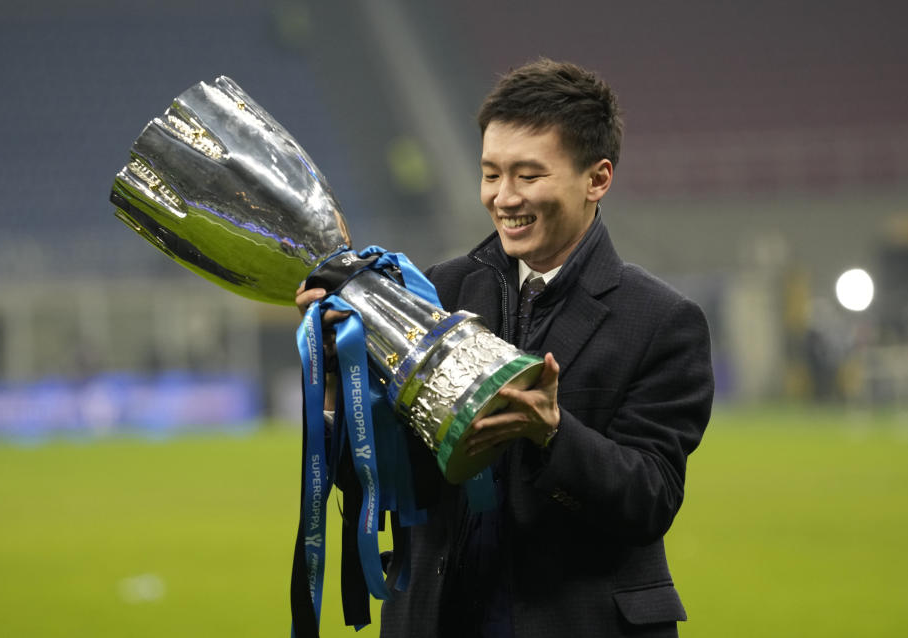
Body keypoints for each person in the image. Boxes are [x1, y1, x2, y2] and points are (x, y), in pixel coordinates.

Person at [296, 58, 713, 638]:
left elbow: (650, 499)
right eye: (491, 174)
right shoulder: (434, 292)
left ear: (597, 179)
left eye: (529, 175)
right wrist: (342, 390)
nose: (503, 197)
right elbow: (388, 482)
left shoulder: (661, 321)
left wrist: (553, 434)